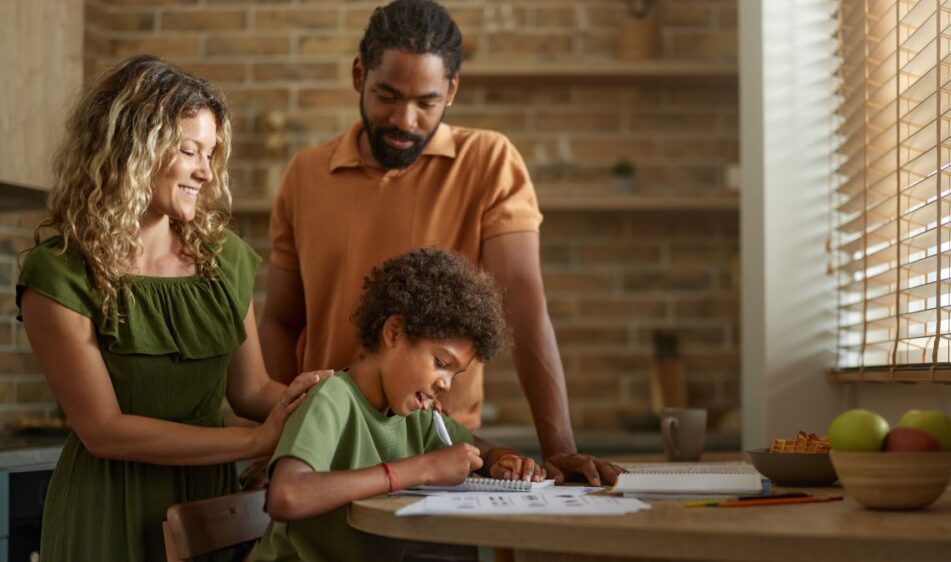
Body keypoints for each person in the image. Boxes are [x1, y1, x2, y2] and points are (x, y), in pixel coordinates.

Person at [259, 0, 622, 486]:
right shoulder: (306, 174)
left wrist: (560, 450)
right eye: (387, 95)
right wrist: (276, 443)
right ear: (358, 75)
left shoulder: (489, 162)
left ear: (451, 91)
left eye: (426, 102)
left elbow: (525, 310)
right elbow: (282, 322)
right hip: (323, 457)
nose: (405, 120)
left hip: (439, 458)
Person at [16, 55, 330, 562]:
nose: (207, 172)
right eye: (191, 151)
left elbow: (251, 391)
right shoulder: (60, 275)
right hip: (108, 510)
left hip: (210, 505)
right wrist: (254, 443)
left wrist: (328, 403)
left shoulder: (223, 261)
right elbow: (104, 431)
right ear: (133, 151)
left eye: (212, 154)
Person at [252, 248, 547, 562]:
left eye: (455, 373)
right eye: (440, 362)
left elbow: (478, 451)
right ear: (394, 332)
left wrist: (502, 458)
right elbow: (286, 496)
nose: (446, 384)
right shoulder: (331, 398)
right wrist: (420, 469)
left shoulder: (414, 415)